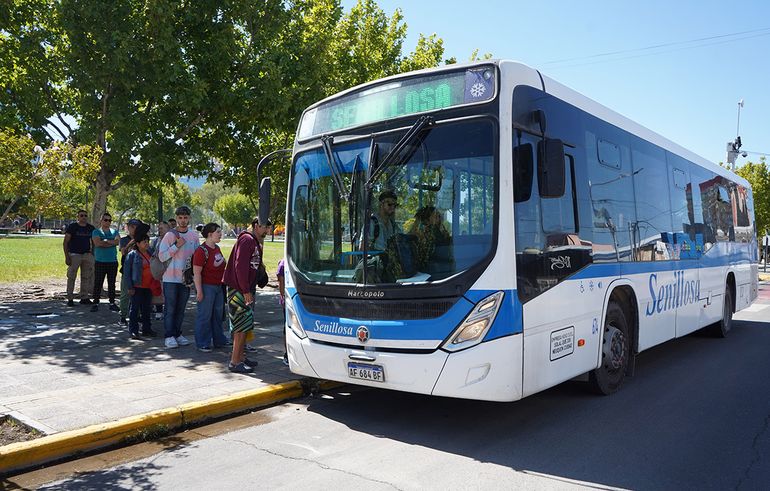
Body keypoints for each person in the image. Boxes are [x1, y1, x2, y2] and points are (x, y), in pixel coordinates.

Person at [223, 217, 271, 373]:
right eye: (265, 227)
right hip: (239, 290)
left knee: (245, 324)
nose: (267, 231)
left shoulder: (254, 242)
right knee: (240, 326)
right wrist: (245, 290)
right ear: (256, 226)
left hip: (245, 289)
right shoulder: (246, 240)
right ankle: (234, 361)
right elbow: (240, 267)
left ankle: (241, 357)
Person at [158, 205, 199, 349]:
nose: (183, 220)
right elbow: (161, 256)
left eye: (185, 217)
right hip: (170, 278)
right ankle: (169, 335)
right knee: (170, 308)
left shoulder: (194, 235)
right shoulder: (170, 235)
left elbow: (197, 257)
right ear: (176, 219)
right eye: (180, 218)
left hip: (185, 279)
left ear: (189, 218)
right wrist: (176, 245)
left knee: (181, 308)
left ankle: (177, 333)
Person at [193, 223, 229, 352]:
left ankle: (219, 340)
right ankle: (202, 342)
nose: (220, 234)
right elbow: (196, 272)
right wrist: (199, 291)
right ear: (209, 234)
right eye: (218, 232)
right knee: (205, 315)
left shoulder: (217, 248)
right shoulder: (201, 251)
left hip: (218, 286)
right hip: (206, 287)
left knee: (217, 315)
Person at [123, 233, 156, 339]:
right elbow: (127, 273)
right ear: (137, 243)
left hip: (149, 286)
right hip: (137, 286)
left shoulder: (150, 253)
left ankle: (147, 329)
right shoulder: (132, 255)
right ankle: (133, 330)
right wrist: (130, 287)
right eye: (144, 242)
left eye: (148, 241)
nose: (147, 244)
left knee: (147, 309)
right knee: (134, 309)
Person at [63, 210, 95, 306]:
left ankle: (84, 297)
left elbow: (94, 242)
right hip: (74, 255)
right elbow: (65, 242)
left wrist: (92, 253)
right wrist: (67, 256)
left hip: (86, 255)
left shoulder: (91, 228)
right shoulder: (72, 227)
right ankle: (70, 298)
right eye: (81, 215)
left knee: (86, 277)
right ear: (78, 217)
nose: (84, 217)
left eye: (85, 215)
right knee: (72, 276)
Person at [90, 213, 121, 312]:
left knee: (112, 283)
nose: (107, 222)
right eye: (105, 220)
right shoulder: (96, 231)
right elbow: (97, 243)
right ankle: (95, 302)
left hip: (112, 261)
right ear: (101, 220)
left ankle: (112, 302)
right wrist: (110, 242)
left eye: (109, 220)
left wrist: (106, 241)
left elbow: (117, 242)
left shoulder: (114, 231)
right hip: (100, 261)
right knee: (98, 282)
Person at [119, 219, 141, 323]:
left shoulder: (142, 239)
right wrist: (132, 242)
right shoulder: (124, 239)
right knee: (125, 294)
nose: (134, 228)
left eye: (136, 226)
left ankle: (138, 315)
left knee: (139, 293)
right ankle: (123, 315)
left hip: (139, 270)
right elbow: (123, 252)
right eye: (131, 226)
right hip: (127, 270)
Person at [150, 221, 170, 320]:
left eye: (161, 228)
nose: (159, 230)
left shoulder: (171, 240)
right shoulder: (156, 240)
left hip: (168, 271)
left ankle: (166, 312)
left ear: (168, 229)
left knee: (167, 293)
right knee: (158, 290)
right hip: (158, 270)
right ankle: (159, 310)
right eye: (159, 228)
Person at [276, 258, 288, 366]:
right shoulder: (283, 263)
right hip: (288, 300)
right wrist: (283, 297)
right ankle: (287, 354)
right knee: (287, 327)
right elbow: (281, 282)